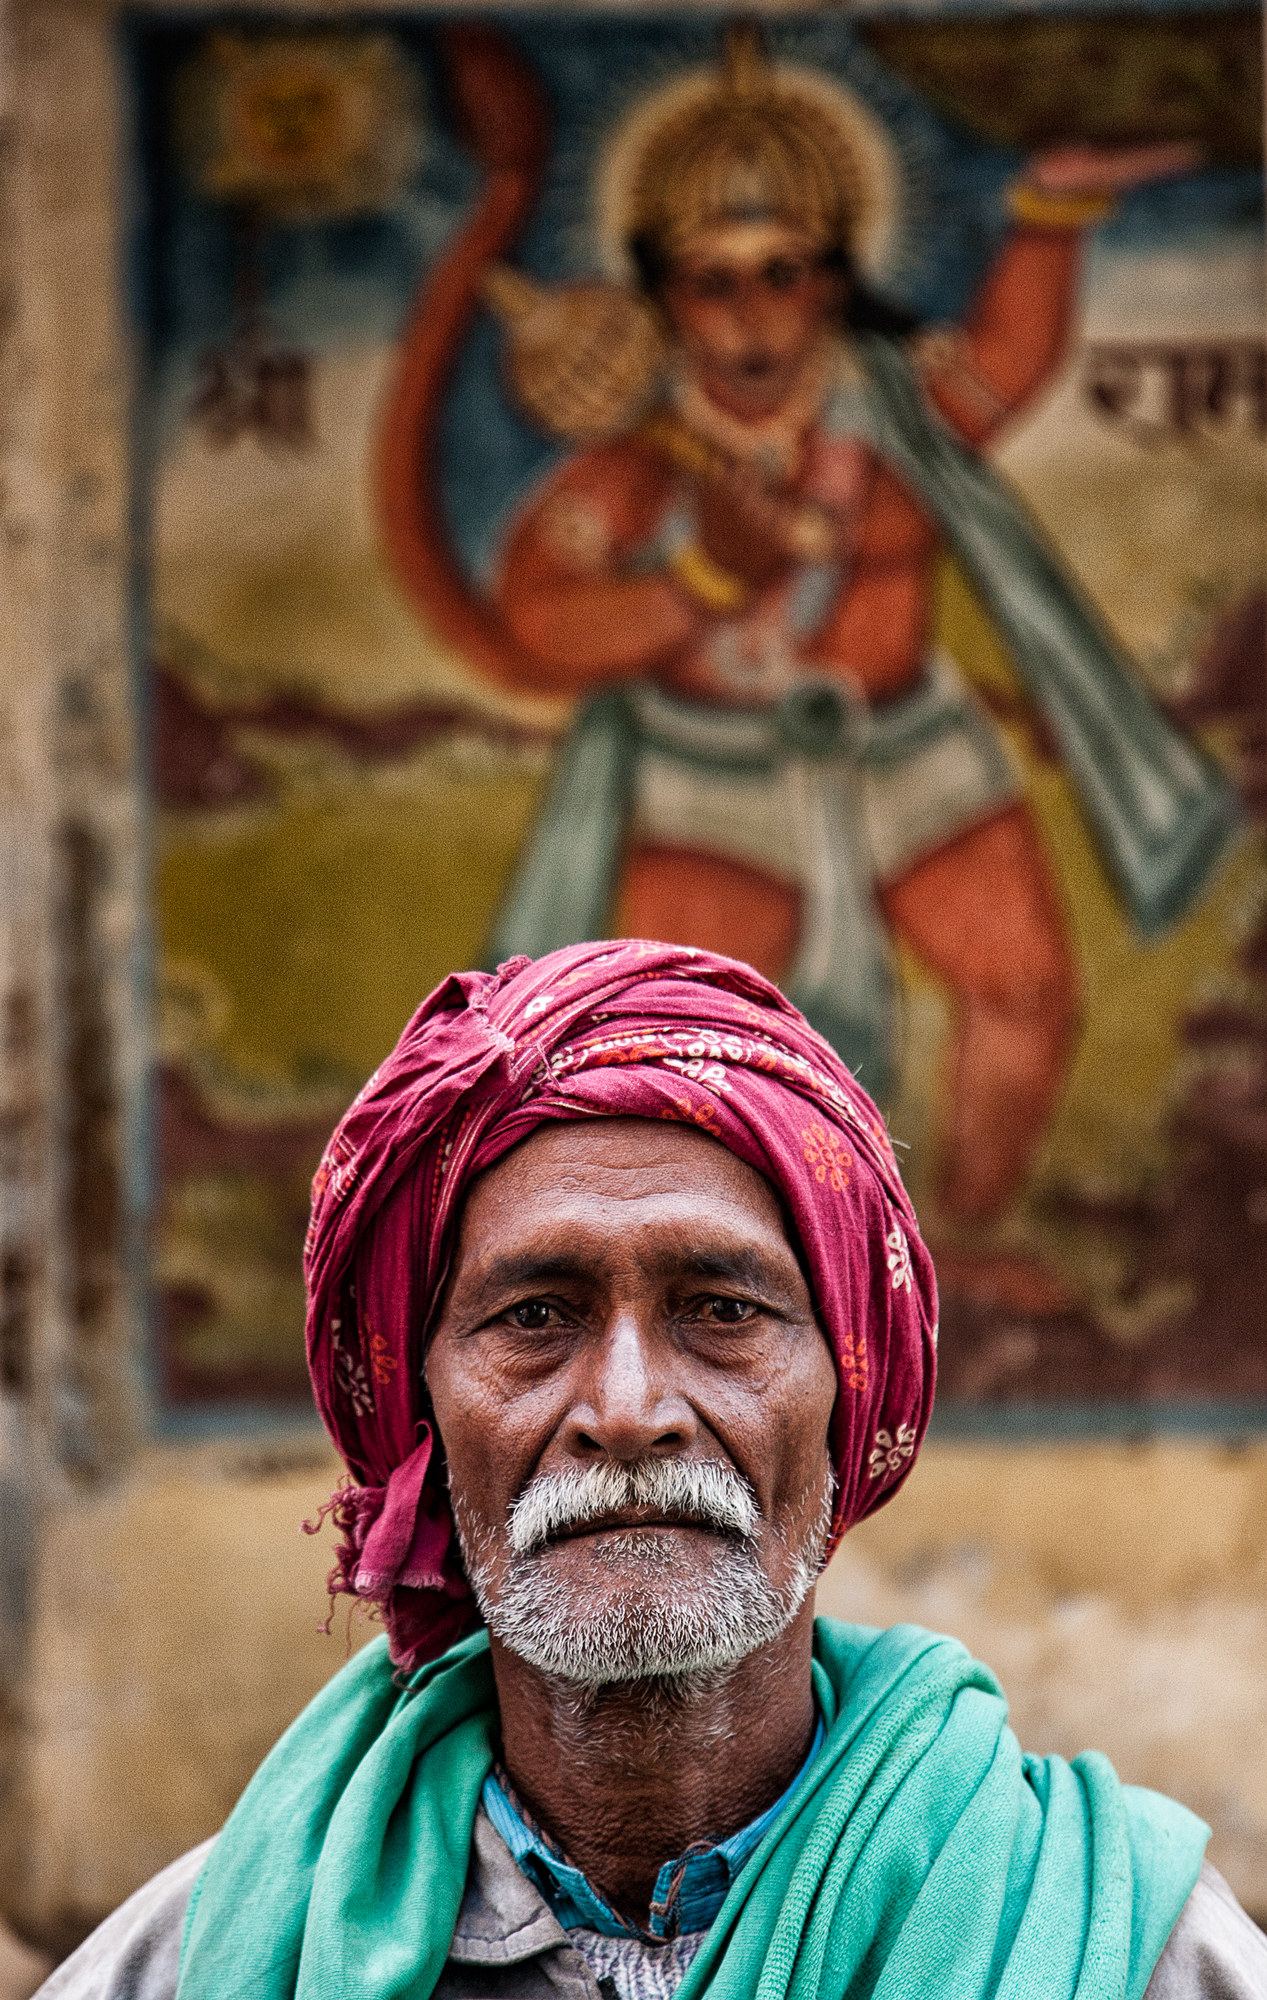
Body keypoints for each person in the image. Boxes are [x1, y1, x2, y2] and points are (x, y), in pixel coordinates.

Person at [39, 942, 1267, 1999]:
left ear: (849, 1392)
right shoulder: (207, 1956)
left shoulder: (1115, 1946)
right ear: (422, 1408)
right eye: (533, 1316)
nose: (627, 1412)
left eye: (722, 1308)